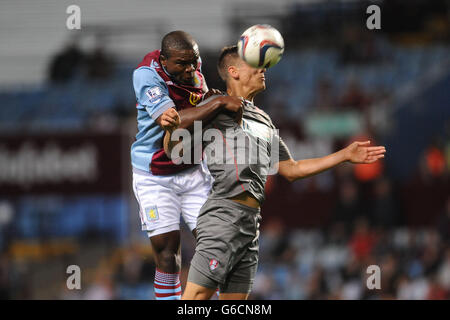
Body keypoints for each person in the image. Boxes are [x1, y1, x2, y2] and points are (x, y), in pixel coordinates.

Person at [164, 45, 386, 300]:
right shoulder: (216, 105)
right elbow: (174, 145)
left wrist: (344, 155)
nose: (263, 69)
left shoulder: (264, 120)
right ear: (234, 72)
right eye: (254, 64)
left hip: (251, 224)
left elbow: (291, 169)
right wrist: (198, 111)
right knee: (194, 300)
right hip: (223, 217)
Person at [131, 31, 243, 300]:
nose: (190, 68)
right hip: (155, 175)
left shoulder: (193, 67)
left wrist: (210, 101)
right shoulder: (147, 75)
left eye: (194, 61)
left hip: (192, 170)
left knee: (216, 246)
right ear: (165, 60)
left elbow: (198, 102)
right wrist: (216, 103)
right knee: (168, 255)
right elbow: (175, 122)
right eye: (182, 63)